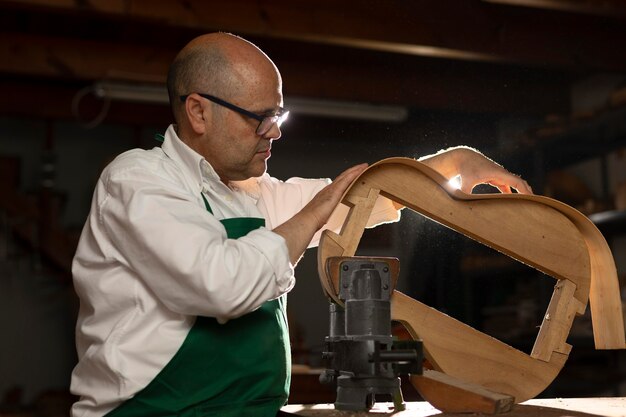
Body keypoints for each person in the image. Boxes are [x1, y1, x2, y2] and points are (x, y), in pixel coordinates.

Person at [69, 32, 532, 417]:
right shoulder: (137, 181)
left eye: (278, 114)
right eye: (260, 117)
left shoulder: (255, 192)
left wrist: (451, 162)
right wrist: (315, 212)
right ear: (198, 112)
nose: (275, 131)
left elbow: (366, 201)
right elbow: (218, 284)